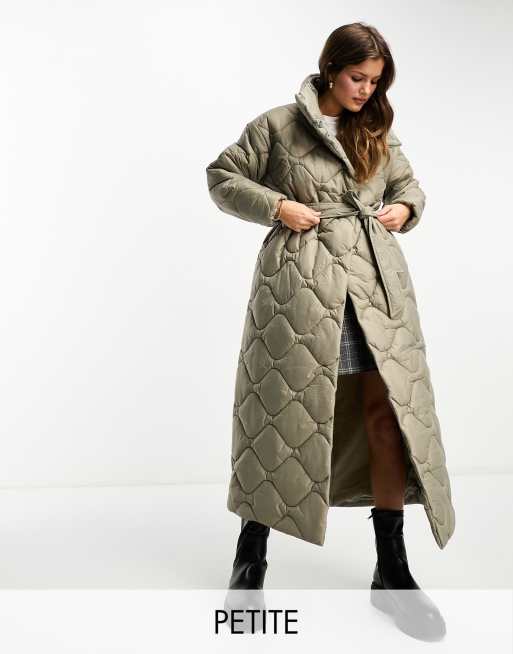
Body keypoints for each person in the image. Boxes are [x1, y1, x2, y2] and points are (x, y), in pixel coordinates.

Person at [206, 22, 454, 640]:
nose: (366, 90)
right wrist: (276, 206)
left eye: (375, 81)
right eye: (356, 78)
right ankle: (250, 559)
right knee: (278, 417)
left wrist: (406, 208)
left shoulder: (377, 129)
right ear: (330, 68)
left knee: (388, 418)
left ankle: (392, 572)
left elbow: (408, 185)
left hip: (375, 290)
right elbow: (222, 177)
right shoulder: (277, 125)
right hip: (301, 287)